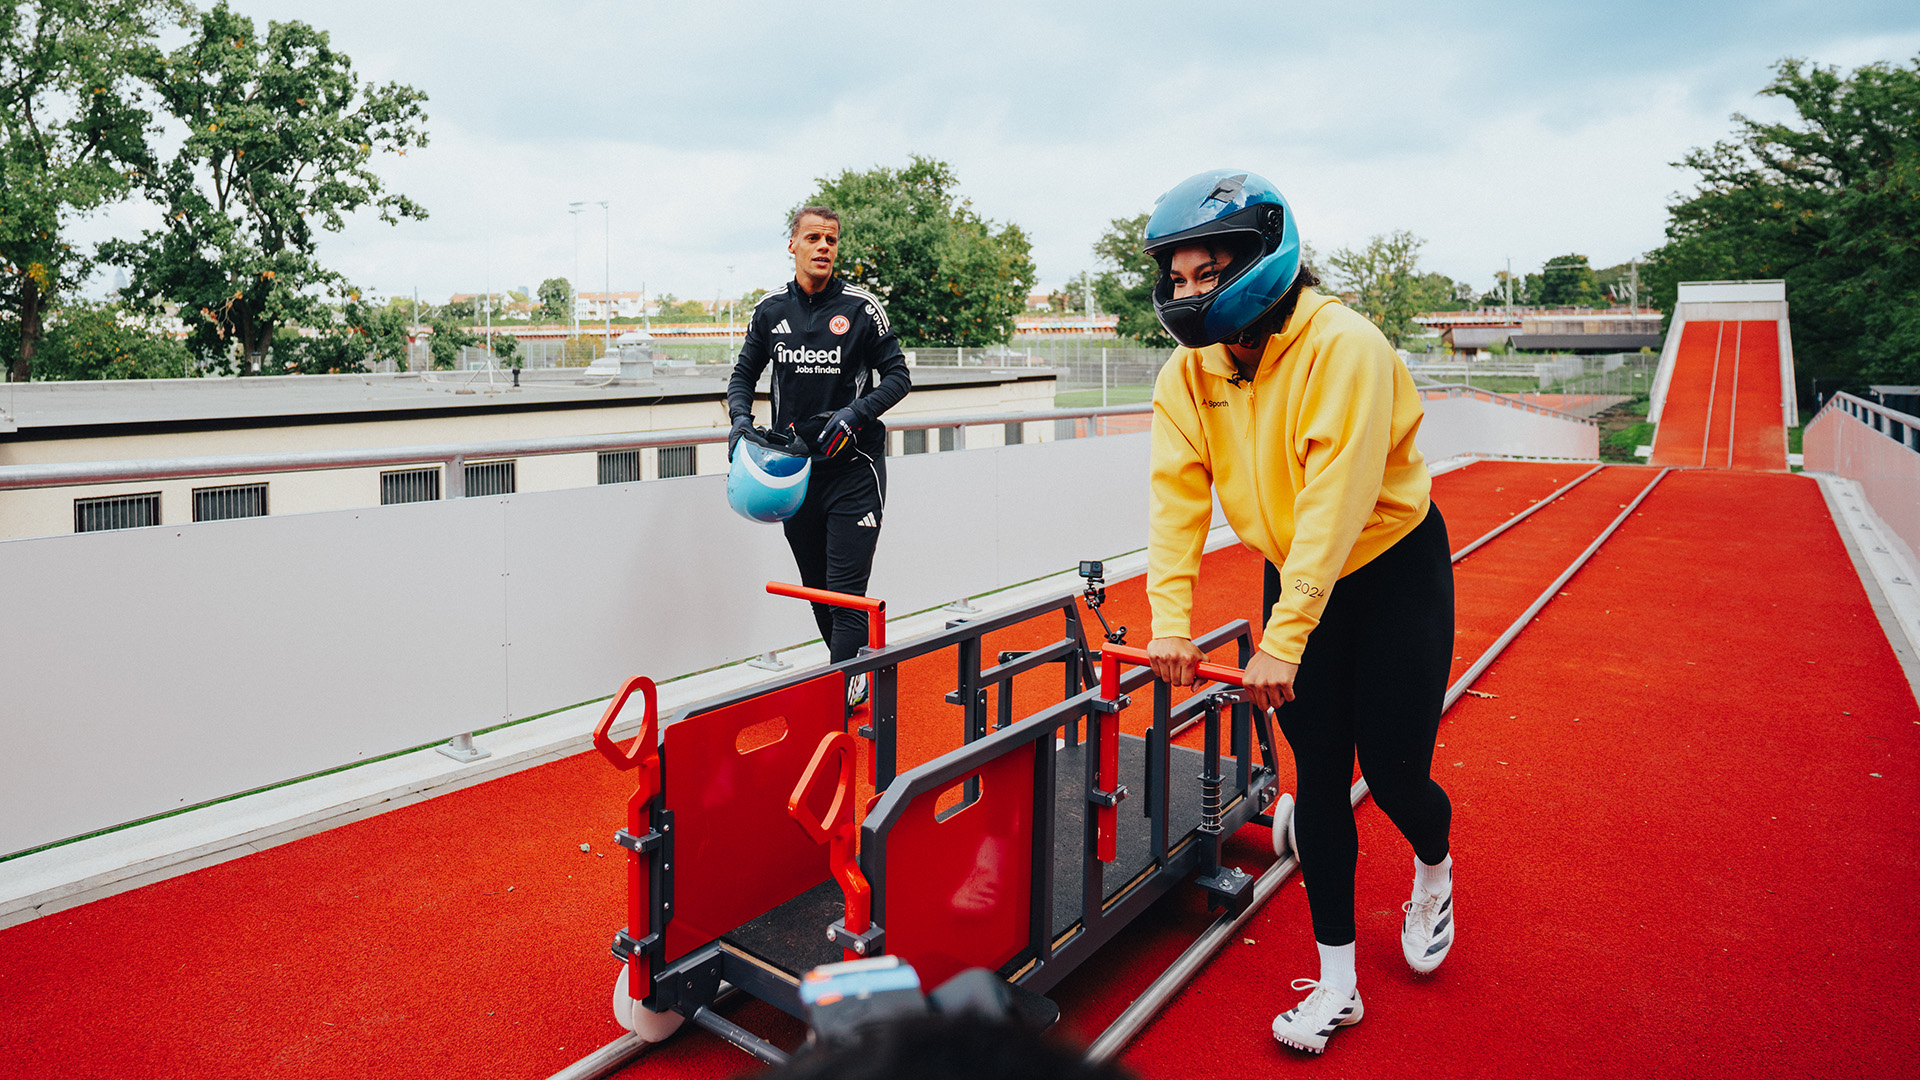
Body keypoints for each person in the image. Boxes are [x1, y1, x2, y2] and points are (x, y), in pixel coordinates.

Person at [1138, 170, 1456, 1054]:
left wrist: (1283, 642)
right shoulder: (1187, 373)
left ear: (1265, 256)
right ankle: (1340, 983)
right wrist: (1169, 620)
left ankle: (1433, 868)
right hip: (1298, 577)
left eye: (1211, 270)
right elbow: (1177, 502)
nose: (1192, 290)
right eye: (1181, 276)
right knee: (1317, 776)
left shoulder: (1341, 345)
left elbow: (1335, 502)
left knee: (1393, 778)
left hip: (1389, 569)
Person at [728, 206, 911, 706]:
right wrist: (740, 422)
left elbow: (898, 377)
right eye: (813, 238)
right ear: (793, 246)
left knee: (845, 590)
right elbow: (743, 376)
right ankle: (852, 669)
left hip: (856, 470)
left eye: (831, 238)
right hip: (795, 471)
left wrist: (856, 413)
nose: (824, 246)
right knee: (816, 588)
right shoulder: (769, 311)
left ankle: (838, 698)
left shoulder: (861, 309)